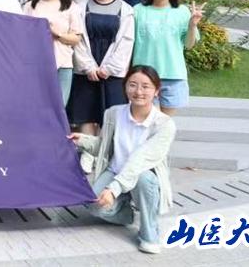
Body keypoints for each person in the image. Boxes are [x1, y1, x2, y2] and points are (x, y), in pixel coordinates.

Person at [68, 65, 176, 255]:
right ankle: (125, 213)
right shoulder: (114, 113)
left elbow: (140, 160)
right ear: (125, 87)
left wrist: (113, 189)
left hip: (143, 175)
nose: (138, 91)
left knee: (142, 178)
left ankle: (149, 233)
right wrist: (82, 140)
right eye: (132, 85)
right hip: (115, 170)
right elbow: (104, 146)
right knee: (94, 205)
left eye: (146, 86)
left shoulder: (164, 124)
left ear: (156, 91)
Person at [68, 0, 135, 139]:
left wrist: (109, 68)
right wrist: (88, 67)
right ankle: (87, 152)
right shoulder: (80, 7)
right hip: (86, 72)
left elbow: (126, 42)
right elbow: (78, 39)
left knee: (111, 119)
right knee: (86, 116)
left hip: (112, 73)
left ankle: (105, 152)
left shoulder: (126, 10)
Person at [133, 0, 202, 115]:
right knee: (146, 121)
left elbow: (189, 45)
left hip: (173, 76)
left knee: (165, 124)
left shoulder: (182, 11)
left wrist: (192, 25)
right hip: (144, 76)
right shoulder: (137, 10)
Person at [22, 0, 83, 106]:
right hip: (34, 63)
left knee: (59, 106)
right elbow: (22, 36)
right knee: (35, 105)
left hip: (63, 63)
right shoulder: (29, 6)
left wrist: (57, 34)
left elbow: (76, 38)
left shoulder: (71, 6)